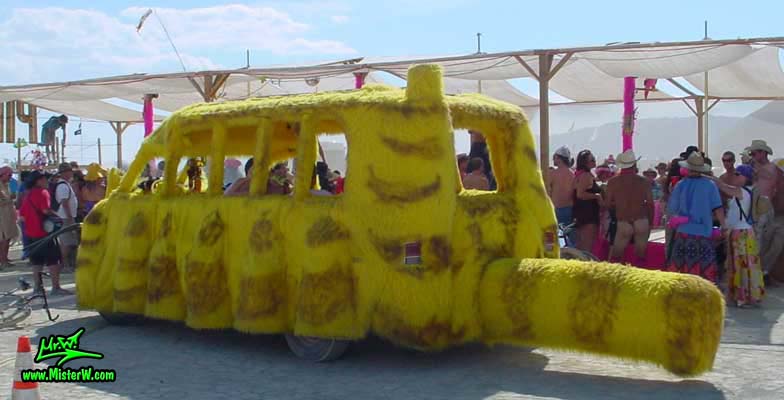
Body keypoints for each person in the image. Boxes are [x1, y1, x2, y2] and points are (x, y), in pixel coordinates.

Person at [666, 152, 725, 283]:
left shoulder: (680, 185)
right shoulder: (710, 185)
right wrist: (724, 226)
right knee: (705, 270)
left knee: (681, 269)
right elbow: (718, 208)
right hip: (704, 232)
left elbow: (672, 209)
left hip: (683, 232)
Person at [711, 165, 764, 307]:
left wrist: (709, 177)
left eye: (738, 175)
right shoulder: (748, 192)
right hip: (745, 232)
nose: (736, 177)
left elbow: (723, 186)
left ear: (745, 177)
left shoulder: (742, 192)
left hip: (741, 234)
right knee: (746, 264)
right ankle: (748, 295)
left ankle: (743, 297)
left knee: (741, 264)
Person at [18, 171, 68, 296]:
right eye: (45, 179)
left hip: (31, 233)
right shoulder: (43, 193)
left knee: (36, 262)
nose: (47, 181)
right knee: (53, 261)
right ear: (38, 181)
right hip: (45, 233)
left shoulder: (27, 195)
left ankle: (38, 288)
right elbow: (45, 210)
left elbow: (22, 217)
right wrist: (57, 217)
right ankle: (56, 287)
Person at [606, 151, 654, 263]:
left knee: (616, 257)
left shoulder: (613, 182)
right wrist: (651, 222)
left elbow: (607, 204)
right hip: (641, 220)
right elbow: (650, 204)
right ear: (634, 165)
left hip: (623, 221)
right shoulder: (644, 181)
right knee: (640, 257)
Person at [749, 140, 784, 285]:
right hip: (755, 208)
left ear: (763, 153)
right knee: (758, 243)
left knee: (772, 243)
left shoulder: (773, 168)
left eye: (755, 152)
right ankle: (755, 273)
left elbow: (779, 187)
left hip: (767, 208)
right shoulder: (751, 168)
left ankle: (763, 271)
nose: (753, 155)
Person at [573, 150, 601, 253]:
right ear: (585, 162)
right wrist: (597, 196)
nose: (594, 161)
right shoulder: (586, 176)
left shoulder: (580, 174)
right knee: (587, 246)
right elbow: (580, 194)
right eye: (592, 160)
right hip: (588, 213)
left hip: (582, 212)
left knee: (582, 244)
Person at [53, 163, 79, 271]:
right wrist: (69, 217)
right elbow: (64, 203)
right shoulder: (63, 186)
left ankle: (67, 264)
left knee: (69, 242)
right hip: (65, 218)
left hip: (67, 217)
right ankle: (65, 265)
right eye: (69, 171)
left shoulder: (66, 184)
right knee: (66, 243)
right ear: (64, 173)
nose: (71, 173)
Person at [548, 146, 575, 231]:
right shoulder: (572, 174)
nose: (553, 160)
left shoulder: (553, 174)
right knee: (568, 237)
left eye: (555, 157)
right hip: (569, 208)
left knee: (552, 236)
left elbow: (545, 189)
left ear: (559, 158)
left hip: (555, 208)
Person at [0, 166, 18, 268]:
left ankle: (4, 258)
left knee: (8, 237)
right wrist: (9, 199)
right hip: (2, 216)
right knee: (3, 239)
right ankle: (3, 261)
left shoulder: (7, 185)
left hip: (8, 215)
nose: (10, 177)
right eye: (9, 175)